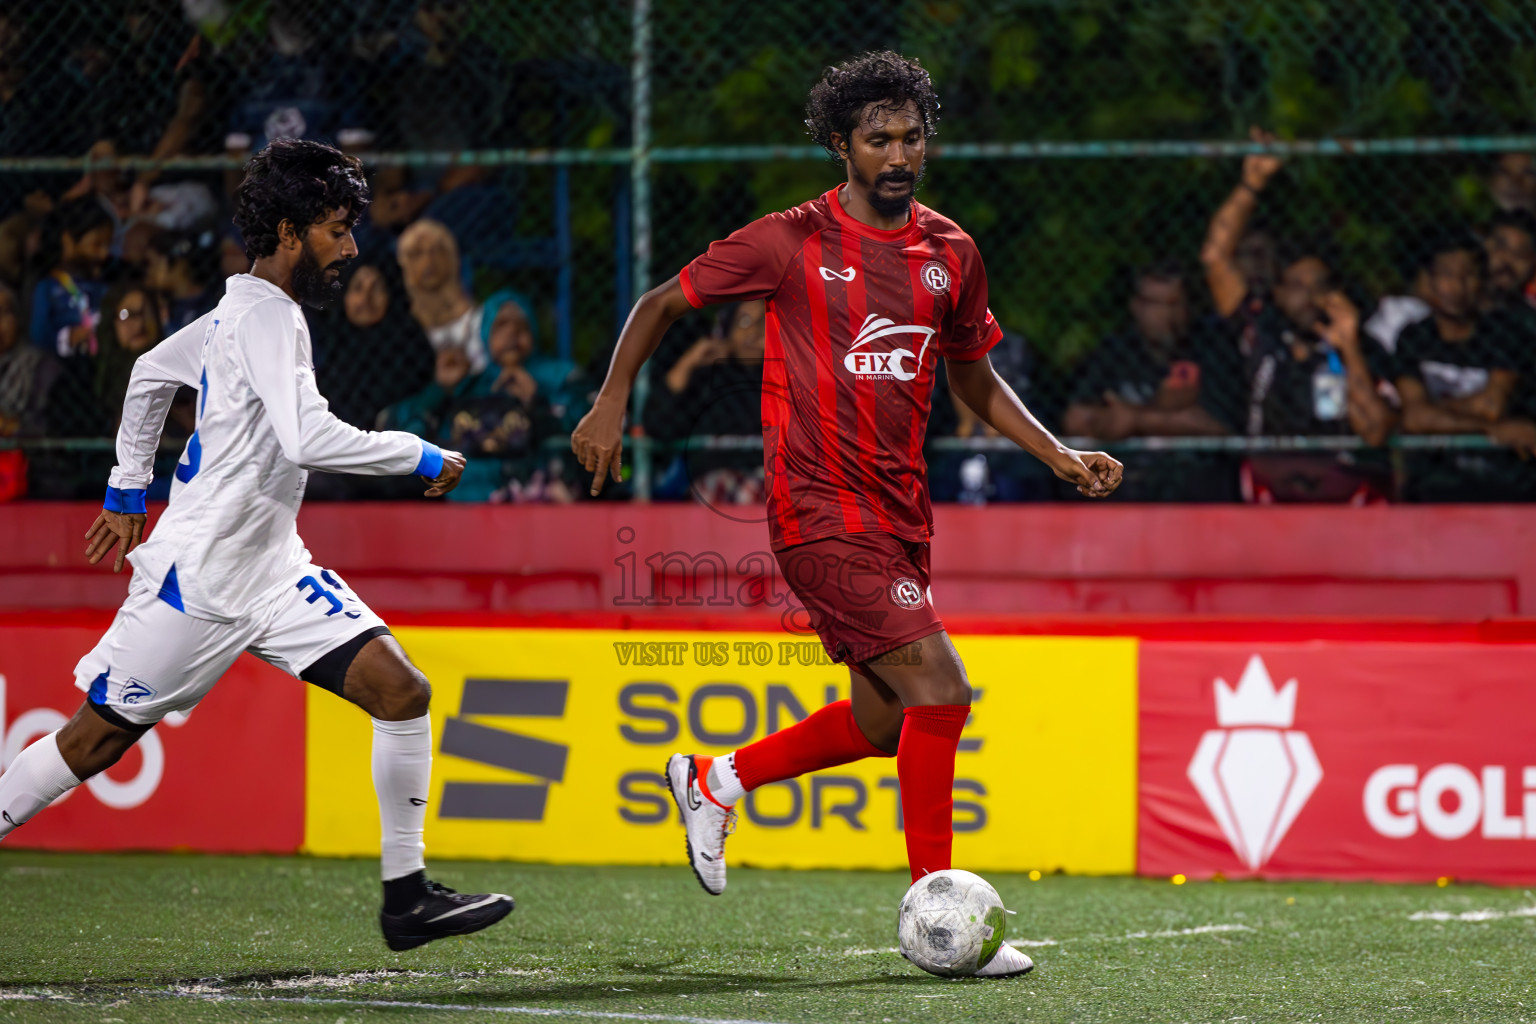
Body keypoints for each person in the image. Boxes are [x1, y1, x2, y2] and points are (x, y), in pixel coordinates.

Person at [572, 51, 1121, 979]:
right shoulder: (788, 240)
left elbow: (974, 376)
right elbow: (662, 302)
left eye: (912, 136)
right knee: (940, 691)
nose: (899, 153)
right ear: (843, 145)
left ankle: (717, 778)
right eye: (878, 139)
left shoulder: (952, 253)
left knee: (880, 722)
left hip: (902, 511)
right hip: (817, 508)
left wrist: (1057, 453)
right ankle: (938, 918)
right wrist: (609, 401)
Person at [0, 140, 513, 951]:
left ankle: (407, 900)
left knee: (402, 689)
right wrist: (416, 453)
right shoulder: (267, 315)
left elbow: (148, 375)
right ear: (288, 228)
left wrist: (130, 486)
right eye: (337, 230)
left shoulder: (240, 310)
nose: (350, 247)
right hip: (200, 586)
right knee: (88, 742)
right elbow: (307, 436)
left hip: (272, 572)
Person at [1201, 128, 1392, 500]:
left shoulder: (1359, 344)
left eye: (1318, 286)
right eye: (1296, 286)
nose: (1308, 298)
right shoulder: (1261, 327)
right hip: (1269, 476)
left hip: (1340, 479)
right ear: (1278, 292)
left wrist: (1348, 348)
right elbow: (1215, 257)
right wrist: (1252, 184)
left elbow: (1375, 432)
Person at [1063, 261, 1239, 501]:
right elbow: (1075, 417)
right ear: (1136, 306)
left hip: (1198, 484)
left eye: (1174, 304)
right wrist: (1106, 424)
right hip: (1128, 482)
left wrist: (1135, 420)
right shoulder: (1115, 351)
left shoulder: (1209, 348)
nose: (1165, 315)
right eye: (1156, 304)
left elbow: (1221, 425)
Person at [1392, 226, 1536, 500]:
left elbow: (1492, 406)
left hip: (1502, 479)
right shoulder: (1413, 338)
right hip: (1433, 479)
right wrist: (1490, 429)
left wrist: (1433, 413)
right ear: (1431, 281)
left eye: (1468, 275)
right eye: (1447, 275)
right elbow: (1414, 417)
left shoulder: (1506, 333)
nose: (1457, 286)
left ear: (1482, 282)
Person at [395, 218, 489, 372]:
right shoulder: (402, 330)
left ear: (451, 257)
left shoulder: (482, 318)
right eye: (417, 253)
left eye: (437, 250)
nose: (429, 261)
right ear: (405, 264)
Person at [29, 196, 113, 358]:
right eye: (96, 245)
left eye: (108, 246)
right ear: (68, 241)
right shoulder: (47, 288)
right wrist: (68, 337)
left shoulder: (103, 288)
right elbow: (38, 335)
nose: (104, 255)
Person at [92, 279, 162, 429]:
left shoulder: (181, 374)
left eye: (145, 312)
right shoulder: (92, 379)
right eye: (127, 314)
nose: (139, 323)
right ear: (112, 323)